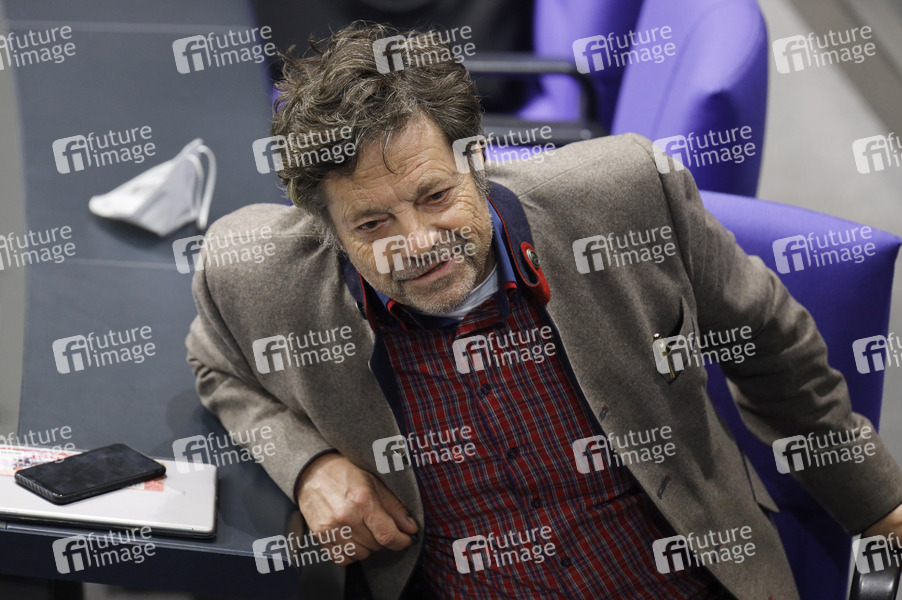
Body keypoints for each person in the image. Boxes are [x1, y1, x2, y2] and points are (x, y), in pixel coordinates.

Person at [185, 21, 902, 600]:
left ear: (476, 161)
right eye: (372, 224)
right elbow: (216, 367)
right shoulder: (255, 274)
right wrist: (308, 465)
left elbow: (771, 348)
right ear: (326, 228)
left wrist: (880, 504)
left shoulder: (627, 195)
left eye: (436, 197)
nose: (418, 244)